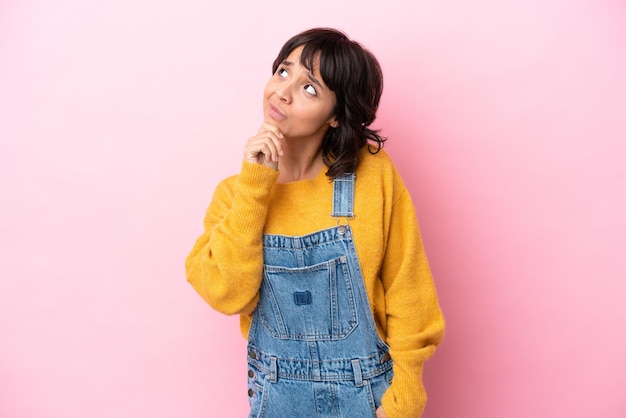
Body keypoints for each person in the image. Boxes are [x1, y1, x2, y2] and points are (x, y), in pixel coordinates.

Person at [185, 27, 445, 418]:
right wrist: (256, 186)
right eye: (283, 72)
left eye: (310, 89)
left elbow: (409, 289)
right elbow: (226, 294)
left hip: (368, 396)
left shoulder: (371, 177)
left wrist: (405, 396)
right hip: (277, 398)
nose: (283, 93)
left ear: (337, 115)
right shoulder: (236, 193)